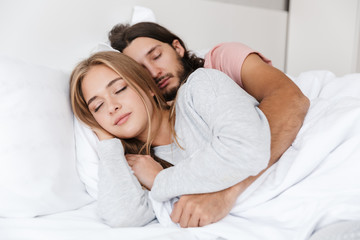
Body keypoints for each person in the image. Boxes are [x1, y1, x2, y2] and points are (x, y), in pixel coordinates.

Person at [107, 22, 310, 225]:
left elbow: (290, 101)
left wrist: (225, 192)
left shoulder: (219, 63)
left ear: (177, 47)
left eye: (156, 56)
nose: (154, 72)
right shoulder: (159, 128)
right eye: (141, 70)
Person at [70, 51, 271, 227]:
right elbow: (123, 217)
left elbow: (248, 149)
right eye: (98, 106)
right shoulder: (138, 165)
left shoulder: (200, 87)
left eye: (120, 89)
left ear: (147, 86)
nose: (112, 106)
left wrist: (160, 179)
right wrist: (107, 143)